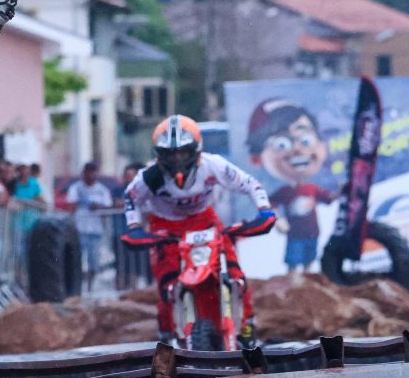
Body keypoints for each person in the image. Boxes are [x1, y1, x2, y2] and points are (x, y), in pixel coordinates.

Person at [122, 115, 276, 346]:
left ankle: (246, 327)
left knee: (235, 276)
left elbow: (250, 183)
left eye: (183, 152)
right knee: (167, 287)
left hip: (205, 221)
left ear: (195, 149)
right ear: (159, 154)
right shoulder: (149, 177)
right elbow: (130, 197)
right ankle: (167, 337)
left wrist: (264, 211)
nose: (177, 159)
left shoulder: (213, 165)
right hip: (165, 227)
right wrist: (134, 227)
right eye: (170, 154)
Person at [246, 98, 337, 273]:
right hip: (294, 235)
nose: (297, 149)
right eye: (282, 144)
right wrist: (277, 220)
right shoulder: (285, 191)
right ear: (257, 157)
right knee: (293, 266)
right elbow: (268, 203)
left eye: (305, 140)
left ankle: (307, 290)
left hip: (313, 233)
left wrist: (344, 190)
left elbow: (328, 198)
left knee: (309, 264)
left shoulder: (312, 189)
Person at [66, 162, 113, 293]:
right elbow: (70, 205)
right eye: (89, 172)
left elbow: (108, 206)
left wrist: (99, 207)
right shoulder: (76, 188)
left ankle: (90, 288)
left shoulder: (102, 190)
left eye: (94, 172)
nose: (91, 175)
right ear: (84, 173)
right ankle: (77, 288)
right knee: (77, 261)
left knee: (94, 262)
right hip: (79, 230)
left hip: (95, 231)